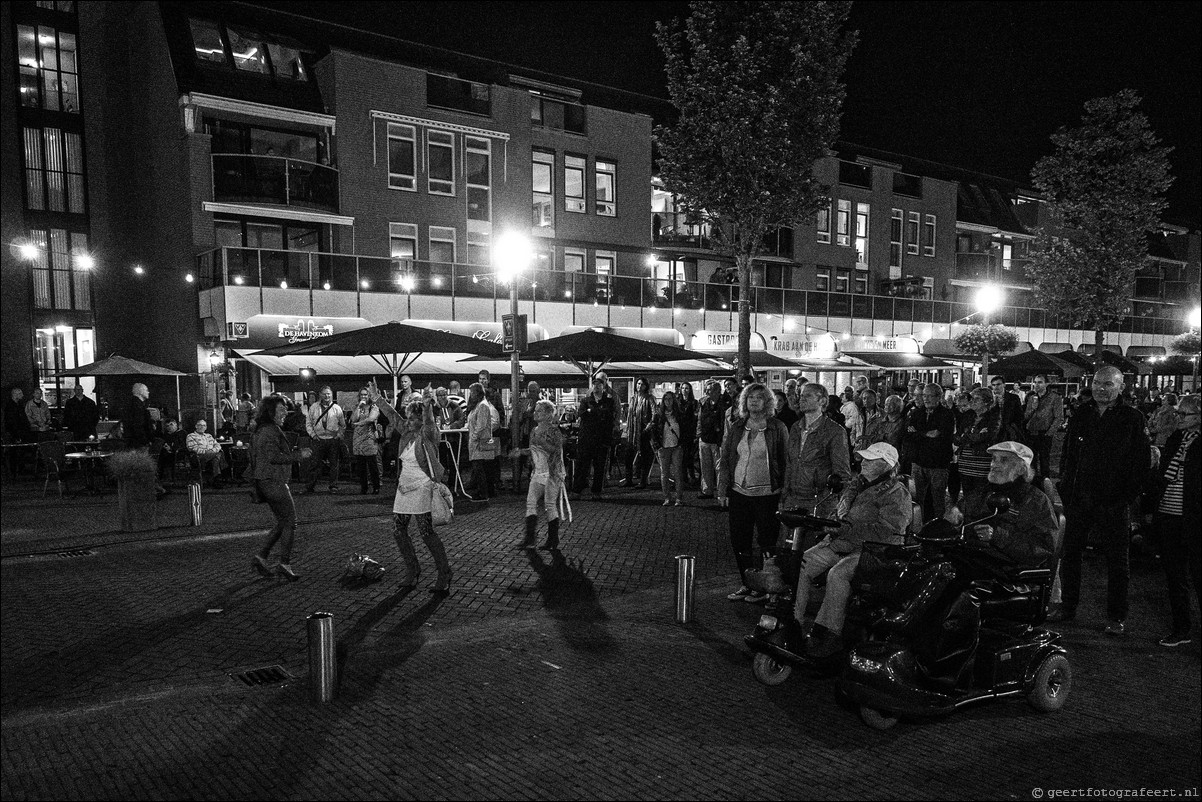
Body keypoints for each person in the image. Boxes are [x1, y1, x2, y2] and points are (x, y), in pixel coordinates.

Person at [1054, 366, 1150, 636]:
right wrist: (1065, 484)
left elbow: (1141, 463)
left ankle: (1116, 615)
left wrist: (1125, 497)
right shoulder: (1082, 413)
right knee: (1070, 554)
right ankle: (1068, 606)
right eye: (1097, 383)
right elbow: (1069, 451)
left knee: (1117, 561)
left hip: (1113, 501)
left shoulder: (1132, 418)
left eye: (1108, 384)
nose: (1100, 388)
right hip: (1079, 497)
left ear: (1120, 387)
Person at [797, 442, 912, 656]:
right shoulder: (855, 486)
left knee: (838, 574)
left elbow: (889, 531)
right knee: (801, 563)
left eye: (871, 460)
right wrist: (830, 524)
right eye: (864, 459)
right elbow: (842, 515)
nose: (864, 463)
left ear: (887, 465)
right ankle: (794, 624)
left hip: (874, 552)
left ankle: (829, 634)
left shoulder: (897, 492)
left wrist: (847, 529)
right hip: (842, 543)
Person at [368, 380, 452, 593]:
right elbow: (391, 415)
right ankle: (413, 569)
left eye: (415, 418)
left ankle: (444, 572)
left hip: (423, 485)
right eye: (409, 417)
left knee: (426, 532)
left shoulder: (428, 434)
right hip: (404, 486)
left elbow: (430, 422)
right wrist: (377, 398)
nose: (410, 421)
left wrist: (426, 406)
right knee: (398, 530)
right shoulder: (405, 429)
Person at [717, 382, 790, 603]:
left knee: (767, 541)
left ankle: (764, 585)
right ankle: (747, 583)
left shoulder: (777, 427)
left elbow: (786, 461)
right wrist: (723, 489)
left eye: (759, 397)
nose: (754, 401)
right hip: (740, 492)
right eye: (750, 398)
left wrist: (784, 493)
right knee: (740, 540)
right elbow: (727, 459)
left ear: (767, 402)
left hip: (767, 493)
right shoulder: (738, 426)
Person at [1150, 394, 1199, 648]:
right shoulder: (1176, 439)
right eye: (1179, 413)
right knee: (1175, 575)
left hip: (1192, 517)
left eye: (1184, 415)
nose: (1178, 418)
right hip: (1169, 513)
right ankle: (1181, 628)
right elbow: (1163, 475)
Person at [249, 397, 312, 581]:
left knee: (282, 522)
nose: (285, 413)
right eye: (282, 409)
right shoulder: (269, 431)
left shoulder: (262, 430)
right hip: (273, 480)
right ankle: (284, 563)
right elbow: (273, 456)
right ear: (271, 411)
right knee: (290, 522)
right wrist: (298, 455)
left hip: (266, 480)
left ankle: (261, 557)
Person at [781, 382, 853, 520]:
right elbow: (790, 463)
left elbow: (842, 472)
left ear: (822, 401)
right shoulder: (796, 427)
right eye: (801, 395)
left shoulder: (835, 431)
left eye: (807, 395)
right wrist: (785, 493)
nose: (801, 399)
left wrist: (837, 502)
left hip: (818, 500)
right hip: (793, 497)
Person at [515, 399, 567, 551]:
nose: (535, 413)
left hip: (551, 472)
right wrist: (521, 452)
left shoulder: (554, 431)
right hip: (538, 471)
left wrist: (542, 443)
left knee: (550, 504)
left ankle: (552, 539)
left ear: (548, 414)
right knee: (531, 502)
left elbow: (556, 451)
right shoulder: (534, 430)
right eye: (535, 410)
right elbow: (533, 449)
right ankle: (530, 538)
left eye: (539, 411)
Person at [904, 383, 955, 522]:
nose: (925, 399)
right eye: (923, 395)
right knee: (916, 498)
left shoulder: (946, 414)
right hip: (919, 461)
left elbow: (942, 436)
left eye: (929, 396)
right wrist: (927, 434)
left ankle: (938, 527)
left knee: (938, 499)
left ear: (938, 397)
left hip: (938, 463)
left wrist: (918, 434)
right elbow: (909, 433)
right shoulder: (917, 413)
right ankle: (918, 526)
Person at [574, 372, 617, 496]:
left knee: (599, 466)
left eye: (599, 385)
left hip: (601, 439)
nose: (596, 387)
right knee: (582, 465)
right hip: (586, 438)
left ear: (603, 386)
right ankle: (577, 490)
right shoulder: (586, 400)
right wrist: (595, 412)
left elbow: (609, 416)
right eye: (595, 385)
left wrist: (592, 412)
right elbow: (582, 414)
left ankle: (596, 490)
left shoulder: (609, 400)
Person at [955, 388, 1002, 499]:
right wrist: (974, 435)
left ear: (986, 402)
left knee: (980, 497)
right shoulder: (968, 416)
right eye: (971, 399)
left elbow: (988, 436)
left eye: (976, 399)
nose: (972, 402)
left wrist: (967, 436)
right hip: (965, 464)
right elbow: (957, 437)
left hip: (981, 464)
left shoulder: (993, 417)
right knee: (967, 497)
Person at [302, 385, 345, 494]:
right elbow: (308, 423)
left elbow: (342, 425)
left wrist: (338, 435)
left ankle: (333, 486)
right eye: (325, 394)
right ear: (320, 395)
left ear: (331, 395)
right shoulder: (314, 407)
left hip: (332, 439)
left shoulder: (337, 408)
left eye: (329, 394)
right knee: (314, 464)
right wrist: (313, 435)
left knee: (334, 464)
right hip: (318, 439)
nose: (327, 396)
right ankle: (310, 486)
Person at [1022, 374, 1063, 486]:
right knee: (1031, 459)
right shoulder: (1032, 398)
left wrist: (1049, 433)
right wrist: (1032, 409)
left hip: (1044, 432)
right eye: (1035, 382)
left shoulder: (1055, 398)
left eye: (1040, 382)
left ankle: (1046, 484)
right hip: (1032, 432)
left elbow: (1059, 417)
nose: (1036, 385)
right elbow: (1025, 417)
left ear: (1046, 384)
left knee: (1044, 460)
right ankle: (1033, 484)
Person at [650, 389, 686, 506]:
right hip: (664, 447)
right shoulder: (659, 415)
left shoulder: (679, 414)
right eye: (666, 399)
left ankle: (678, 498)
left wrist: (682, 443)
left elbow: (685, 429)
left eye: (670, 399)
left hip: (676, 446)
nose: (668, 401)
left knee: (677, 473)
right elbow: (654, 431)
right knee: (664, 473)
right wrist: (657, 446)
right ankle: (667, 497)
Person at [464, 381, 498, 499]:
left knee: (480, 468)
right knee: (481, 468)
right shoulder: (478, 405)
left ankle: (483, 493)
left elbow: (481, 425)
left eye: (472, 393)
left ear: (477, 393)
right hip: (479, 441)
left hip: (481, 441)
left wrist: (474, 437)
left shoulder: (483, 406)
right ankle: (484, 491)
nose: (470, 396)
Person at [620, 377, 656, 489]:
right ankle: (628, 479)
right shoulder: (633, 398)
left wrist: (648, 427)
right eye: (638, 384)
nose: (639, 386)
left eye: (642, 384)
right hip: (632, 432)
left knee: (644, 457)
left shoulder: (649, 398)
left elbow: (655, 414)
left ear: (646, 386)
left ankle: (643, 481)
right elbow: (630, 415)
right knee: (628, 456)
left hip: (643, 431)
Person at [696, 380, 728, 501]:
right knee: (705, 466)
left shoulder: (723, 405)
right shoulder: (704, 403)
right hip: (704, 439)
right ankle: (706, 490)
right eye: (707, 390)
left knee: (719, 468)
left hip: (717, 441)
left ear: (717, 391)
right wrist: (698, 434)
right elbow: (700, 419)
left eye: (710, 390)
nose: (707, 392)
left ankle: (721, 493)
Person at [510, 381, 541, 494]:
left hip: (536, 434)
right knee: (522, 459)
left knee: (535, 459)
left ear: (538, 391)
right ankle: (519, 483)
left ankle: (534, 483)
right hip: (525, 434)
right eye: (530, 391)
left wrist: (531, 415)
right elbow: (517, 419)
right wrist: (522, 416)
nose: (531, 393)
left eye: (533, 391)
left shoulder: (541, 403)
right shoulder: (524, 403)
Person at [350, 388, 381, 495]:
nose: (364, 397)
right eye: (362, 395)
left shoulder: (374, 407)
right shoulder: (356, 407)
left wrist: (358, 424)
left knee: (372, 464)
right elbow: (353, 419)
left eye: (366, 395)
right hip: (358, 439)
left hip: (369, 438)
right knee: (361, 465)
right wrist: (359, 407)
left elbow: (371, 419)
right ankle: (364, 487)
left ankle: (376, 486)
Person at [186, 419, 228, 487]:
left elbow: (217, 445)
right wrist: (207, 451)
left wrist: (213, 451)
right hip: (199, 456)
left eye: (204, 425)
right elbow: (192, 448)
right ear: (196, 426)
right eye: (200, 425)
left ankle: (216, 480)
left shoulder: (209, 436)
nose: (202, 427)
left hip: (211, 455)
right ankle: (220, 477)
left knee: (216, 458)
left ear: (206, 427)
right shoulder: (191, 436)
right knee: (219, 454)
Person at [677, 382, 699, 489]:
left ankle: (691, 477)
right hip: (680, 432)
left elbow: (696, 418)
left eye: (687, 388)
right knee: (681, 456)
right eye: (683, 388)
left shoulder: (694, 403)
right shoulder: (678, 402)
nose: (684, 390)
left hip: (690, 432)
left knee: (689, 456)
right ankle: (683, 477)